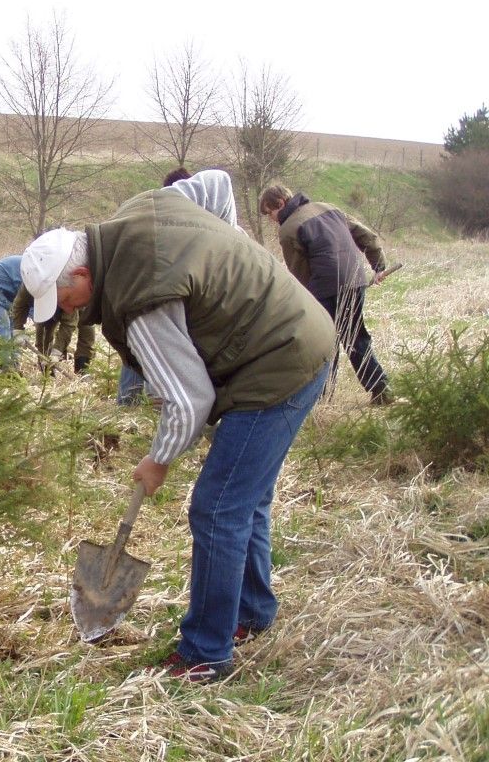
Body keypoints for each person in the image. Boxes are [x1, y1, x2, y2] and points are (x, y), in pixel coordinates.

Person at [20, 191, 335, 682]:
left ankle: (205, 654)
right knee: (244, 498)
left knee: (217, 509)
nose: (67, 311)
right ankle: (251, 612)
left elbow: (190, 401)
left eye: (63, 300)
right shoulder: (136, 214)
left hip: (279, 360)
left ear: (81, 275)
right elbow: (209, 190)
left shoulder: (137, 297)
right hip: (298, 329)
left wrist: (158, 459)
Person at [259, 184, 394, 405]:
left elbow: (299, 273)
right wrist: (378, 266)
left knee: (324, 344)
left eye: (269, 212)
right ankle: (381, 390)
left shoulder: (288, 229)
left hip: (324, 288)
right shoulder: (329, 208)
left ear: (280, 203)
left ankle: (322, 400)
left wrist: (303, 302)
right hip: (355, 281)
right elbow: (367, 236)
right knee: (355, 337)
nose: (271, 219)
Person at [118, 169, 243, 404]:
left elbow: (220, 180)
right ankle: (136, 400)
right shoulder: (165, 225)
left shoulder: (209, 228)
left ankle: (135, 400)